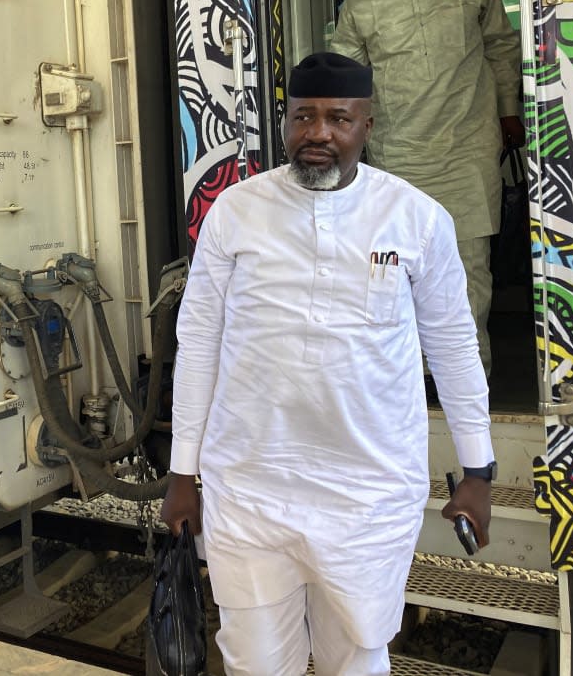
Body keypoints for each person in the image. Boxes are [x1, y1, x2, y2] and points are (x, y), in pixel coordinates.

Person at [160, 53, 494, 676]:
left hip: (367, 493)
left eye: (338, 119)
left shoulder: (417, 220)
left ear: (367, 127)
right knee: (254, 663)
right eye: (303, 117)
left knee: (357, 658)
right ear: (285, 124)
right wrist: (184, 473)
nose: (318, 133)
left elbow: (452, 343)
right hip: (250, 487)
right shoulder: (234, 212)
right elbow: (199, 342)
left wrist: (478, 467)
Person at [329, 0, 522, 378]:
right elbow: (349, 85)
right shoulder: (363, 3)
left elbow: (500, 46)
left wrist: (508, 111)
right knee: (403, 274)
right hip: (401, 155)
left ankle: (467, 374)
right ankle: (418, 378)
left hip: (467, 149)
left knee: (469, 268)